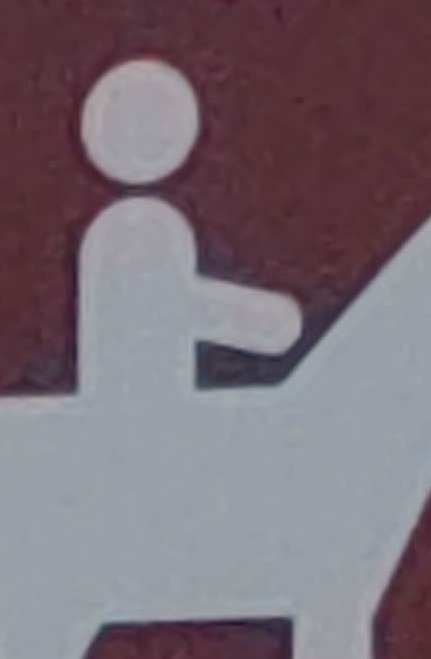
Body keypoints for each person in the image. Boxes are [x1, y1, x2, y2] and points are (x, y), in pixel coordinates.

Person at [70, 57, 299, 417]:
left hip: (156, 405)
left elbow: (179, 308)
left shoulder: (143, 229)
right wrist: (266, 323)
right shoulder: (136, 232)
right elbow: (175, 308)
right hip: (144, 407)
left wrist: (266, 323)